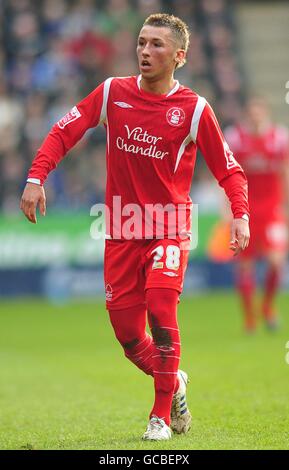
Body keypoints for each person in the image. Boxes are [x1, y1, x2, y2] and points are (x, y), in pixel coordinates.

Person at [20, 13, 250, 441]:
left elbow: (230, 171)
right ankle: (175, 381)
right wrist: (36, 177)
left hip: (169, 228)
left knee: (162, 311)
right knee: (129, 336)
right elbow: (63, 131)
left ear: (179, 56)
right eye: (142, 42)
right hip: (121, 231)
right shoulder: (111, 92)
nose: (145, 51)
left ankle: (160, 416)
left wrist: (240, 213)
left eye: (157, 45)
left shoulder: (195, 109)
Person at [225, 97, 289, 332]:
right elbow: (227, 175)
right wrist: (228, 210)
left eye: (258, 112)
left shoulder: (280, 138)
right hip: (246, 209)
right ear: (246, 115)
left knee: (276, 261)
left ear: (265, 113)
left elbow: (285, 172)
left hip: (272, 209)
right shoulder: (235, 138)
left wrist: (286, 205)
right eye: (251, 113)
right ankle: (250, 318)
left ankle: (267, 307)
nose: (255, 117)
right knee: (246, 264)